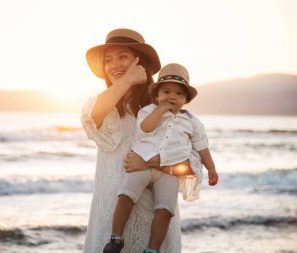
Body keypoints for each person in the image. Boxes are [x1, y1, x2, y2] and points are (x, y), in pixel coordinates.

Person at [81, 28, 211, 253]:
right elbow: (95, 115)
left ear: (141, 63)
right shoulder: (101, 104)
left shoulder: (162, 109)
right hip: (109, 216)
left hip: (152, 218)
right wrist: (129, 78)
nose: (114, 65)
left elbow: (191, 163)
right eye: (108, 60)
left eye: (123, 57)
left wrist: (150, 163)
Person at [103, 63, 219, 253]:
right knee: (126, 196)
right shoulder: (148, 111)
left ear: (185, 100)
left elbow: (202, 146)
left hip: (170, 172)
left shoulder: (192, 122)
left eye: (179, 93)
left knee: (165, 210)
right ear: (156, 96)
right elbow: (146, 128)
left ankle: (152, 248)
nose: (172, 96)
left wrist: (211, 168)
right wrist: (160, 110)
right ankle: (116, 238)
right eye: (166, 92)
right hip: (142, 163)